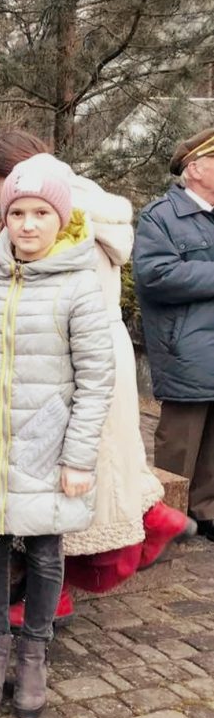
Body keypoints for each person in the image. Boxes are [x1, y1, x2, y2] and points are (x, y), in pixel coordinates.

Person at [0, 132, 194, 613]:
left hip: (68, 360)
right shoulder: (91, 205)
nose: (0, 196)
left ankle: (49, 596)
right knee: (111, 458)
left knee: (56, 481)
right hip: (103, 349)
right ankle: (154, 520)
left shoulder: (54, 216)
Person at [0, 156, 114, 718]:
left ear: (60, 218)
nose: (27, 224)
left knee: (45, 549)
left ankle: (33, 654)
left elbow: (95, 380)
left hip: (48, 445)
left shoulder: (80, 284)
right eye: (17, 212)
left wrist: (79, 457)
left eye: (41, 213)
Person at [134, 127, 214, 541]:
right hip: (185, 348)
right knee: (180, 444)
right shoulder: (161, 216)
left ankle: (206, 513)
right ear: (195, 168)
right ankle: (165, 519)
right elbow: (155, 275)